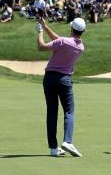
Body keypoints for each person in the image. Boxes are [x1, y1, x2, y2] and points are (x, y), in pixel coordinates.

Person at [36, 17, 85, 158]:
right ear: (83, 31)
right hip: (65, 80)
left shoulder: (63, 41)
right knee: (69, 111)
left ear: (71, 28)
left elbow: (41, 47)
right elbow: (59, 41)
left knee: (52, 112)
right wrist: (45, 27)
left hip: (49, 78)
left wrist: (39, 31)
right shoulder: (80, 47)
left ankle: (53, 148)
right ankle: (67, 141)